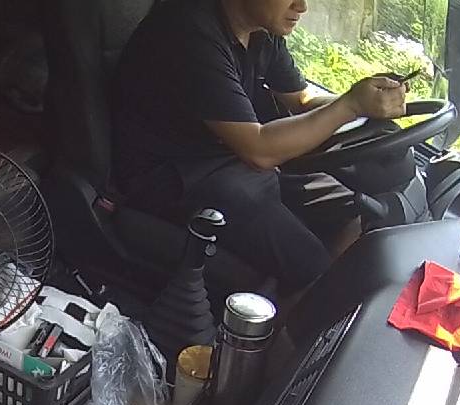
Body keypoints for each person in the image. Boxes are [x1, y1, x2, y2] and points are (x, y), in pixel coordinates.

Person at [114, 0, 409, 296]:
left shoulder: (261, 32)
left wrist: (365, 101)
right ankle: (294, 321)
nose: (302, 6)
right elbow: (259, 150)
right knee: (311, 265)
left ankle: (319, 300)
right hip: (176, 177)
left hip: (231, 160)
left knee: (355, 214)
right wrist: (350, 105)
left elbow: (302, 101)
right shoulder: (189, 33)